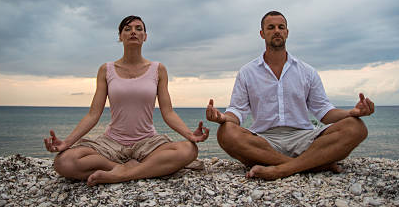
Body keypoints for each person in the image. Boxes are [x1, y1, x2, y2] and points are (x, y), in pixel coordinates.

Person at [206, 10, 374, 180]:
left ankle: (281, 169)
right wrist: (222, 117)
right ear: (262, 34)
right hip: (264, 141)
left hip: (304, 138)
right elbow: (237, 111)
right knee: (225, 132)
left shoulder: (307, 72)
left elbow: (324, 111)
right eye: (271, 27)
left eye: (281, 27)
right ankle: (310, 165)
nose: (277, 30)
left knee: (356, 127)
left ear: (287, 32)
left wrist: (351, 113)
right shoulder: (247, 72)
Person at [44, 15, 209, 185]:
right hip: (112, 142)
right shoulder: (106, 70)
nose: (133, 32)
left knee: (188, 149)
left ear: (145, 37)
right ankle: (122, 167)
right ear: (120, 36)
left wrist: (190, 135)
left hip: (148, 142)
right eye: (127, 29)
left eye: (139, 29)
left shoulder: (158, 69)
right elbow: (93, 114)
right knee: (63, 162)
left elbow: (168, 112)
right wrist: (66, 143)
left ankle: (122, 175)